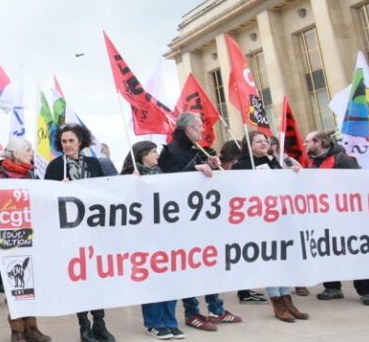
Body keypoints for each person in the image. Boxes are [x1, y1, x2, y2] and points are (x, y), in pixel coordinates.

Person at [158, 112, 240, 332]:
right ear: (189, 129)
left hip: (202, 219)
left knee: (208, 263)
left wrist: (210, 163)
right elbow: (168, 181)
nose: (203, 130)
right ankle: (192, 312)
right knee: (188, 266)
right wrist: (194, 169)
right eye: (199, 126)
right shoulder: (170, 151)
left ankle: (216, 308)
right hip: (182, 221)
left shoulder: (194, 149)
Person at [44, 124, 114, 342]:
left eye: (71, 141)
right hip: (71, 233)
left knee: (96, 279)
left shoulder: (95, 163)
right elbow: (46, 197)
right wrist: (58, 189)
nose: (67, 145)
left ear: (80, 142)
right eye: (64, 142)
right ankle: (84, 325)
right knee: (80, 278)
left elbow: (107, 191)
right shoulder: (55, 166)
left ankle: (100, 323)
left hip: (94, 230)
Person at [0, 138, 52, 342]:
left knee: (30, 283)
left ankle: (31, 326)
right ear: (16, 154)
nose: (31, 153)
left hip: (29, 234)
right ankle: (17, 329)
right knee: (16, 283)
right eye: (28, 150)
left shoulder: (29, 174)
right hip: (9, 237)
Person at [232, 132, 309, 323]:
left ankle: (287, 299)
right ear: (248, 145)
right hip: (259, 221)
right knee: (271, 261)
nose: (264, 143)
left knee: (283, 259)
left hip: (279, 219)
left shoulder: (273, 162)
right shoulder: (241, 166)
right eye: (258, 141)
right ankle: (277, 302)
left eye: (265, 141)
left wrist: (293, 172)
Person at [303, 131, 369, 305]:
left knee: (357, 251)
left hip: (346, 215)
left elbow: (358, 184)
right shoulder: (310, 161)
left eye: (308, 141)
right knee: (326, 251)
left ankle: (368, 291)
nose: (305, 144)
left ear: (320, 142)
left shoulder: (342, 159)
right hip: (323, 215)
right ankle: (332, 287)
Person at [120, 141, 186, 339]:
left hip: (166, 235)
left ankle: (170, 322)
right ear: (142, 155)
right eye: (153, 151)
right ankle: (154, 323)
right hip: (145, 238)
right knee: (153, 281)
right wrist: (131, 184)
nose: (157, 155)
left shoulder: (162, 175)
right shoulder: (128, 178)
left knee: (169, 280)